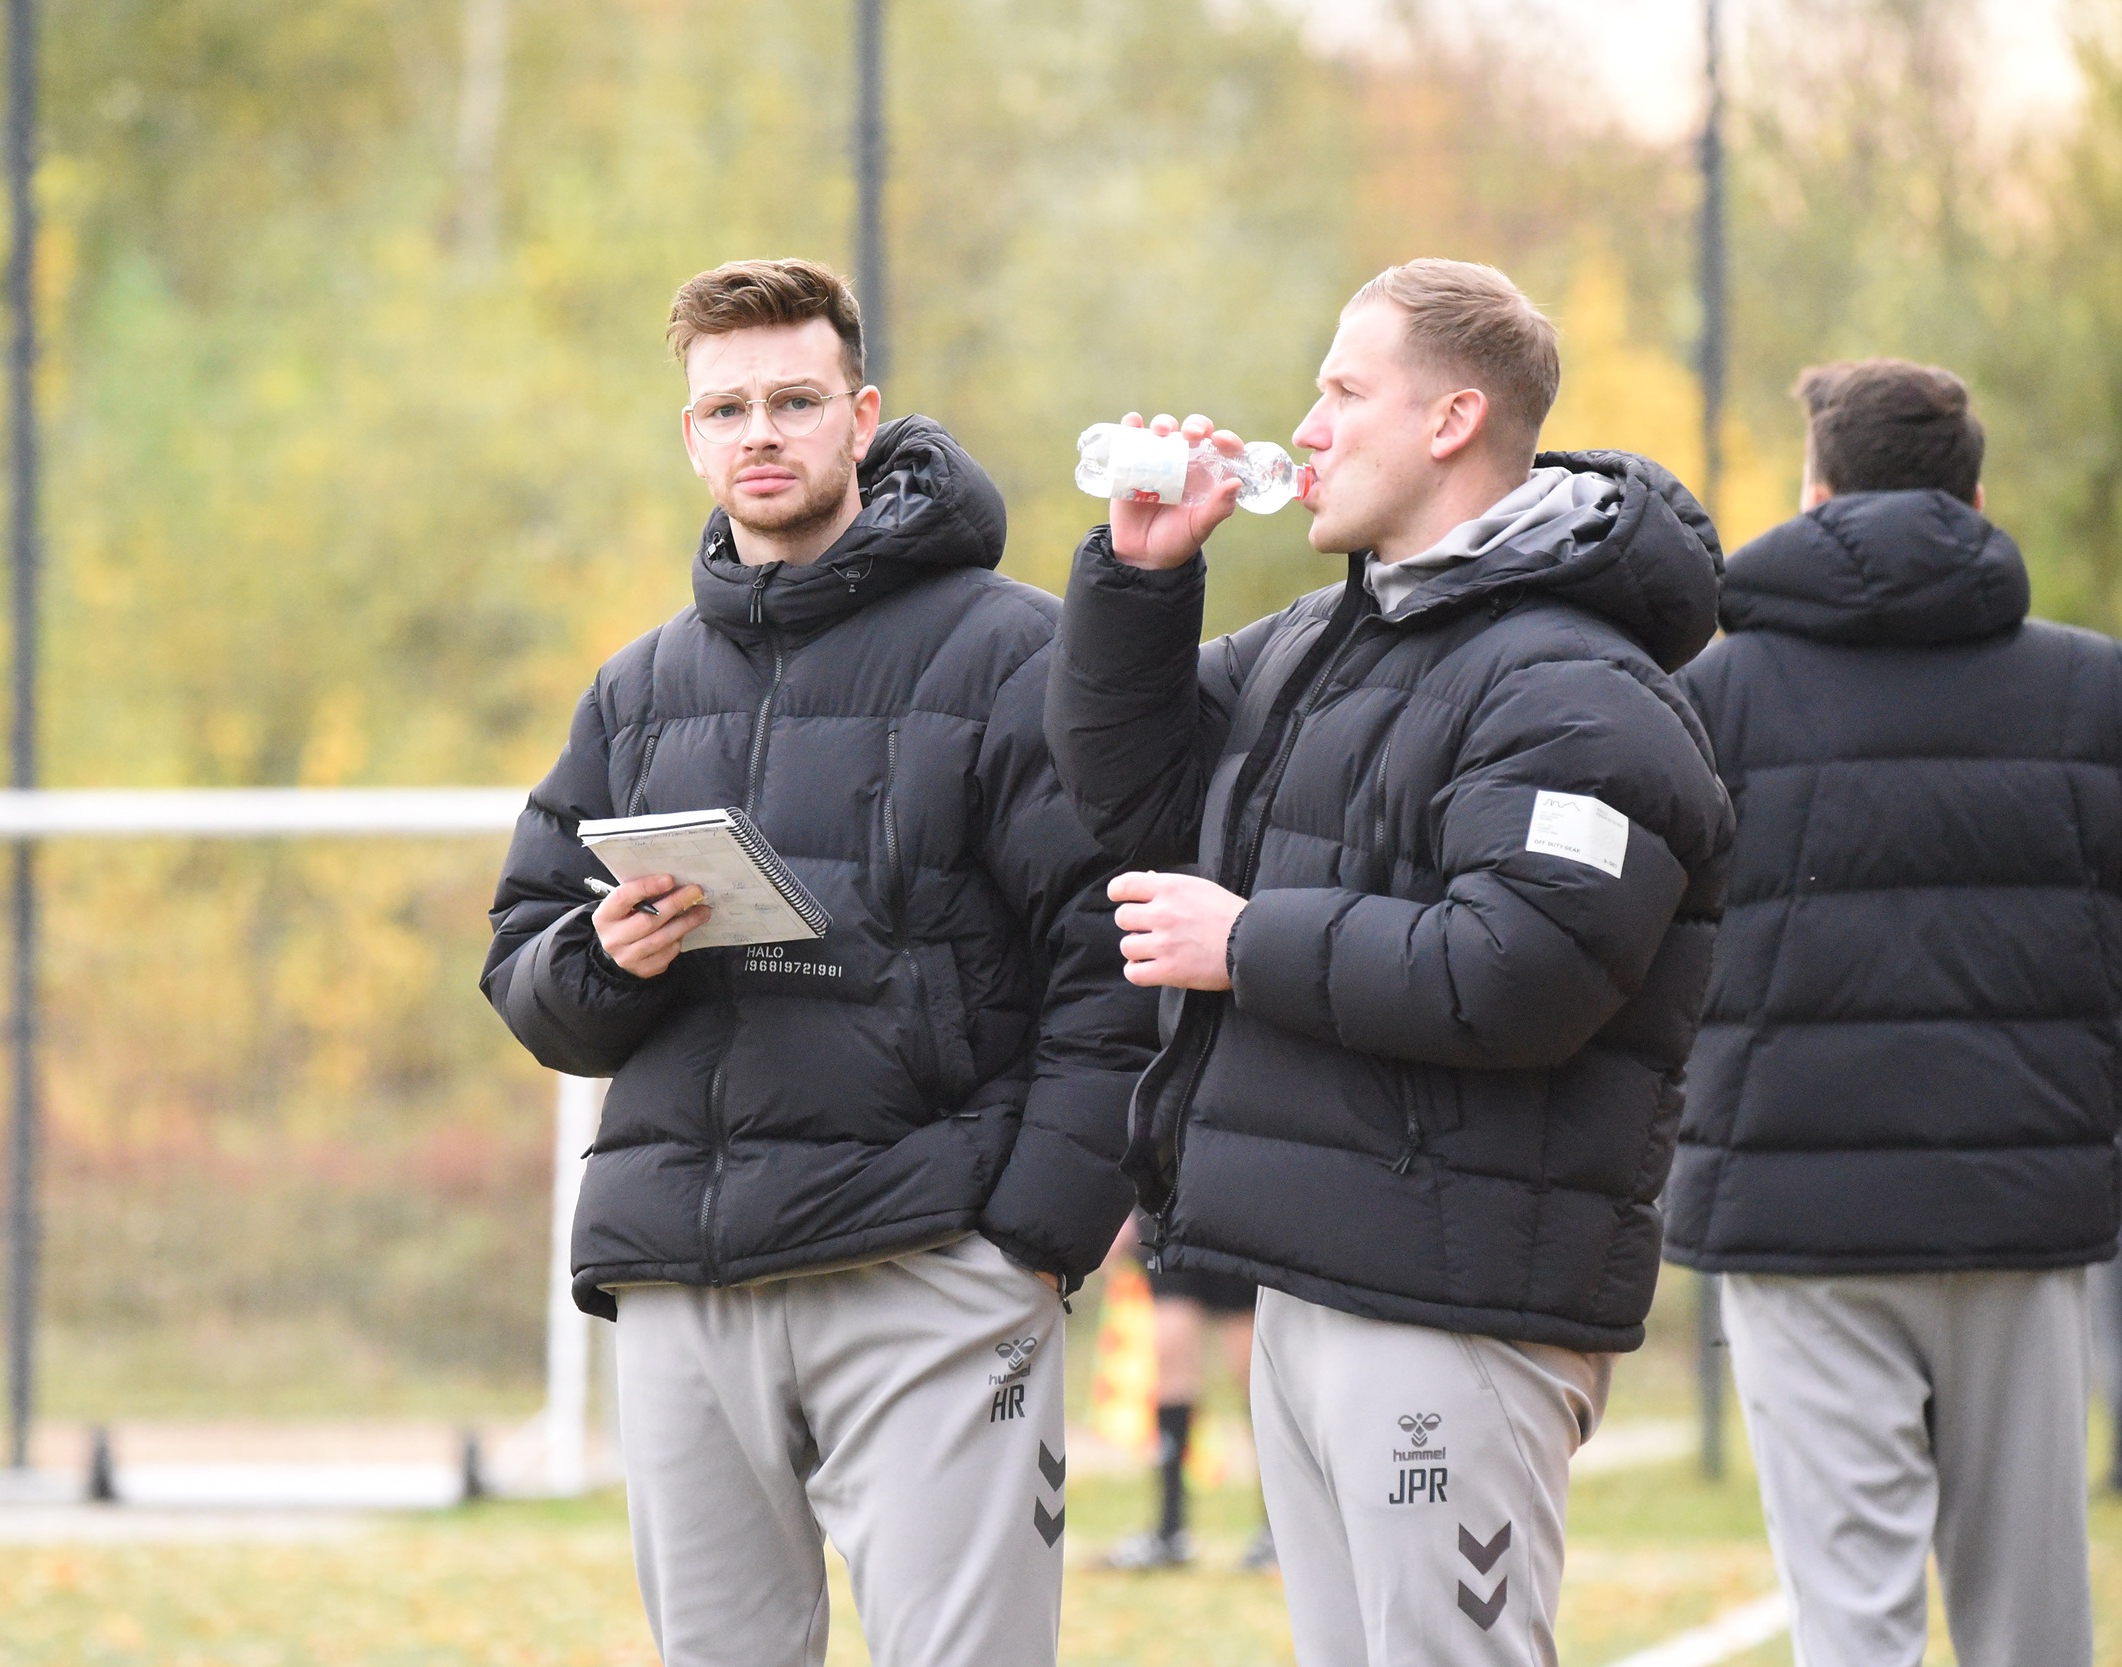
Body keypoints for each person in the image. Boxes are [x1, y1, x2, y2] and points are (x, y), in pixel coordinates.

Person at [1046, 258, 1730, 1665]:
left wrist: (1246, 939)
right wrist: (1140, 576)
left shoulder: (1581, 688)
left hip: (1455, 1305)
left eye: (1343, 391)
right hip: (1313, 1278)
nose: (1303, 427)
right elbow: (1133, 799)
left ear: (1451, 419)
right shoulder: (1325, 639)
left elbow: (1522, 968)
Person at [482, 258, 1154, 1667]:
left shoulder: (1010, 648)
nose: (760, 433)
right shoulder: (637, 685)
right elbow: (522, 963)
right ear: (689, 437)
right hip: (679, 1282)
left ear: (862, 414)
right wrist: (603, 957)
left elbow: (1114, 962)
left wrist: (1029, 1239)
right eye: (725, 407)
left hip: (928, 1266)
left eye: (793, 399)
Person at [1665, 358, 2120, 1667]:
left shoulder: (1714, 697)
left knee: (1850, 1616)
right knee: (2034, 1614)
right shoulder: (2095, 693)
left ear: (1816, 493)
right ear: (1976, 495)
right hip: (2023, 1209)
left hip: (1795, 1220)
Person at [1097, 1210, 1272, 1572]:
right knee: (1170, 1352)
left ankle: (1275, 1531)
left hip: (1236, 1210)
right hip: (1171, 1208)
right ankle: (1169, 1531)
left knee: (1253, 1373)